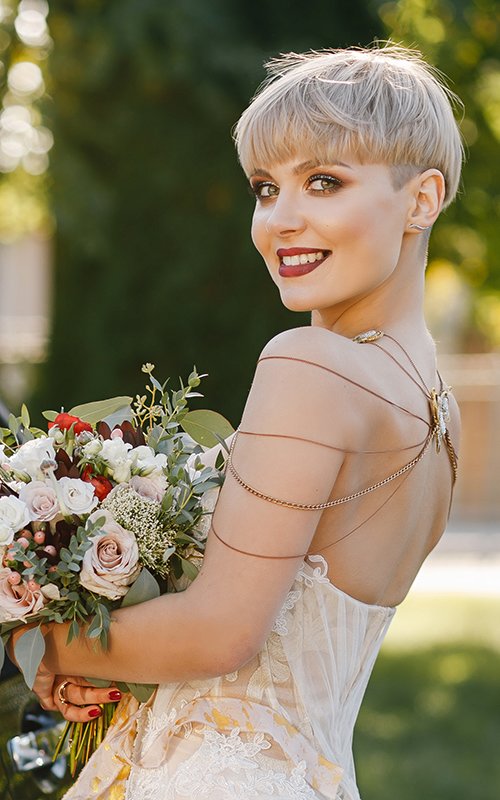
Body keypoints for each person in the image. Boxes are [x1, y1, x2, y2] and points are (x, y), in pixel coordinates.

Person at [18, 43, 462, 799]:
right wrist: (102, 656)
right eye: (265, 188)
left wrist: (35, 642)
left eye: (324, 182)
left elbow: (220, 633)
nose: (280, 221)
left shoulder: (309, 363)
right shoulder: (438, 410)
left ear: (422, 200)